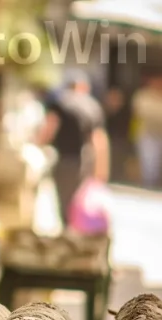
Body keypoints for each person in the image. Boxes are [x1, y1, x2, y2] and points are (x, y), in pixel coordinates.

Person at [37, 70, 110, 225]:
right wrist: (101, 171)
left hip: (65, 160)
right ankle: (78, 233)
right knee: (82, 201)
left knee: (66, 203)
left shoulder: (61, 103)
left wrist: (37, 145)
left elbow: (49, 128)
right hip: (86, 161)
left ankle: (70, 233)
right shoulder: (92, 106)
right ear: (84, 87)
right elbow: (99, 140)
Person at [131, 75, 162, 189]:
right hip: (148, 136)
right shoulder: (143, 96)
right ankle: (148, 188)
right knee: (149, 166)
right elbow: (143, 113)